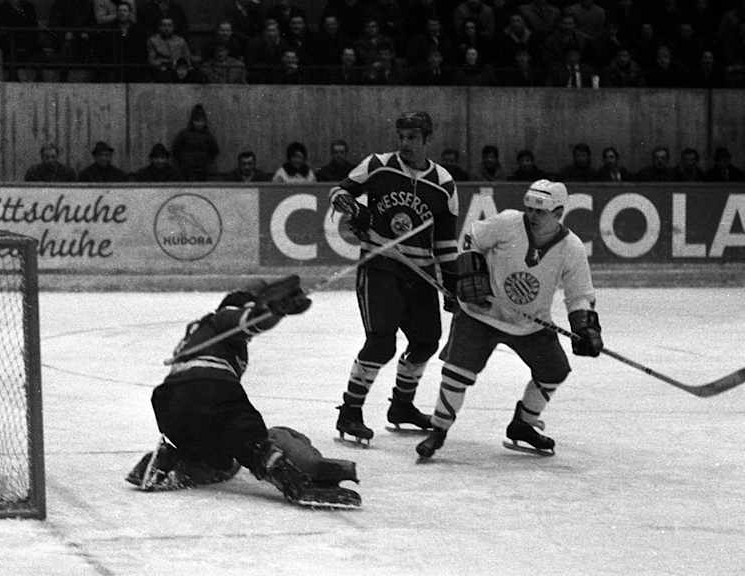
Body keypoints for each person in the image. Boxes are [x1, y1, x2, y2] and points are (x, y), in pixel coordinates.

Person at [126, 277, 361, 508]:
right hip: (210, 387)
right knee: (251, 439)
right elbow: (249, 321)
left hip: (169, 404)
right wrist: (274, 311)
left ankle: (172, 460)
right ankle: (294, 482)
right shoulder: (223, 318)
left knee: (216, 461)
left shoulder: (199, 331)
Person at [416, 179, 602, 459]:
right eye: (530, 209)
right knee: (457, 372)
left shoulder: (571, 247)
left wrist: (584, 327)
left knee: (554, 371)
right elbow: (472, 237)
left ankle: (523, 424)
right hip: (481, 312)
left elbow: (579, 294)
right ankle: (438, 430)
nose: (532, 215)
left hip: (530, 323)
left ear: (558, 213)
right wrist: (471, 270)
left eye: (541, 212)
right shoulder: (508, 223)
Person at [329, 112, 460, 444]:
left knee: (426, 341)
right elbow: (339, 191)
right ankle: (350, 412)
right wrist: (349, 206)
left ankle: (401, 406)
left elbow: (446, 242)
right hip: (380, 265)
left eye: (412, 137)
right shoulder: (379, 165)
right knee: (381, 342)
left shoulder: (443, 183)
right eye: (401, 137)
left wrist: (452, 283)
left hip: (421, 273)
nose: (405, 143)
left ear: (427, 139)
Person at [171, 104, 219, 181]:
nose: (199, 124)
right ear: (192, 121)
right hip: (186, 170)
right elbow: (175, 150)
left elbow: (214, 151)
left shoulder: (208, 136)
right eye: (197, 121)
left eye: (202, 121)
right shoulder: (184, 134)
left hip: (203, 170)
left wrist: (206, 162)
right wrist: (183, 162)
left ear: (205, 122)